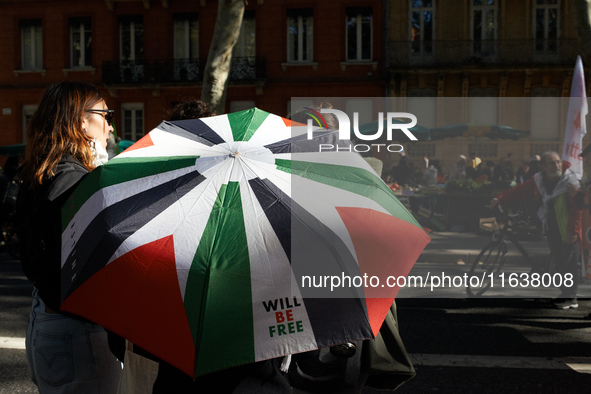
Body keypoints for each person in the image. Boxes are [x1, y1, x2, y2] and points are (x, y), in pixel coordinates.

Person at [16, 81, 121, 393]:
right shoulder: (74, 181)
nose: (110, 125)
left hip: (47, 316)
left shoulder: (39, 172)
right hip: (76, 327)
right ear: (80, 121)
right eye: (106, 114)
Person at [490, 151, 582, 309]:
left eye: (558, 162)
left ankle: (570, 296)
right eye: (552, 163)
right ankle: (566, 294)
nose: (556, 165)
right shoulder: (539, 180)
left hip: (567, 227)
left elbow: (577, 208)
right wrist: (500, 198)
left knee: (568, 262)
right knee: (560, 261)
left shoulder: (569, 180)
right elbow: (520, 190)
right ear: (543, 167)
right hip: (551, 226)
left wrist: (573, 230)